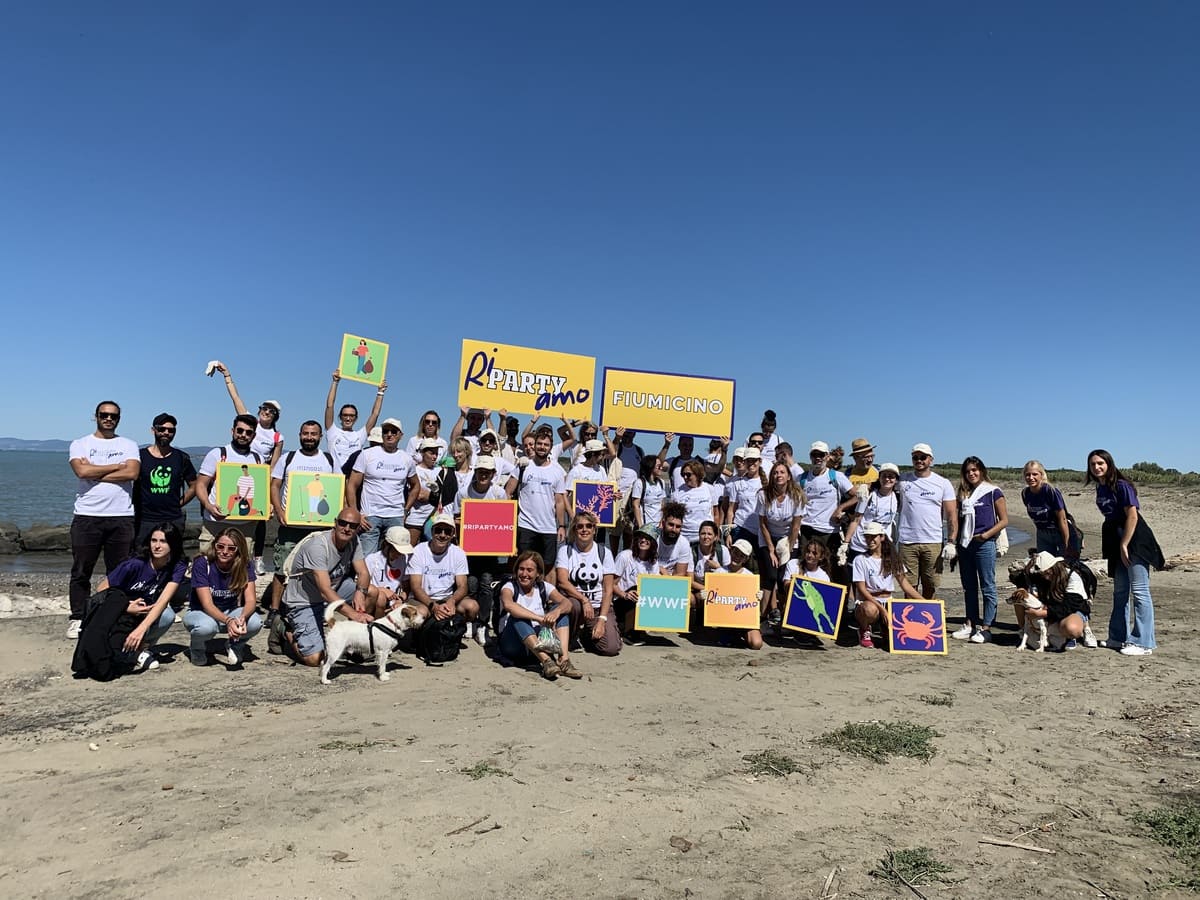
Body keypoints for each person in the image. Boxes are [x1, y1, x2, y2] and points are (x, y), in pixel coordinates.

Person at [67, 401, 141, 639]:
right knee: (81, 570)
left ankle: (115, 614)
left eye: (114, 416)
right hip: (87, 516)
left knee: (119, 572)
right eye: (104, 415)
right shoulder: (80, 444)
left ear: (119, 419)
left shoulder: (128, 444)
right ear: (96, 416)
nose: (109, 419)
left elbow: (132, 473)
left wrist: (95, 471)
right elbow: (81, 472)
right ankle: (78, 617)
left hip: (121, 517)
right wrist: (114, 467)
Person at [1086, 449, 1164, 657]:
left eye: (1100, 463)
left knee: (1139, 591)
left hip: (1134, 538)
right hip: (1114, 537)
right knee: (1120, 591)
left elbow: (1132, 516)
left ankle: (1143, 642)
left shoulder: (1122, 485)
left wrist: (1125, 544)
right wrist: (1117, 544)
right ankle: (1118, 637)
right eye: (1093, 464)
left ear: (1109, 464)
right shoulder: (1100, 487)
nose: (1097, 467)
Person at [279, 508, 376, 667]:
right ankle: (285, 629)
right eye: (343, 523)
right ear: (335, 523)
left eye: (352, 525)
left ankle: (356, 644)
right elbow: (325, 590)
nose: (347, 528)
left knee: (372, 592)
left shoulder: (354, 540)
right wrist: (354, 614)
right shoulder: (318, 546)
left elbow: (364, 573)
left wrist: (360, 592)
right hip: (304, 600)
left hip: (333, 590)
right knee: (316, 659)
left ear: (358, 528)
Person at [265, 421, 337, 624]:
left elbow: (339, 486)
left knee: (320, 570)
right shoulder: (288, 458)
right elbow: (275, 485)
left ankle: (319, 607)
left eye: (313, 434)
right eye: (305, 433)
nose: (309, 437)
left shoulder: (329, 460)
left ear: (320, 437)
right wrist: (279, 510)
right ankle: (275, 609)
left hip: (320, 527)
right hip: (291, 526)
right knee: (282, 569)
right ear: (299, 435)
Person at [212, 362, 284, 568]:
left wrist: (266, 488)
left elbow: (275, 462)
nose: (266, 412)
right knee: (227, 506)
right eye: (264, 408)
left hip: (258, 477)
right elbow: (235, 398)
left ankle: (257, 558)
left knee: (259, 518)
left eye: (271, 411)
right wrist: (227, 376)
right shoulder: (249, 421)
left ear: (275, 416)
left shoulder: (277, 436)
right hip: (235, 471)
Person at [94, 522, 187, 671]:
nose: (157, 546)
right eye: (153, 540)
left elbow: (163, 600)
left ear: (173, 544)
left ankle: (140, 647)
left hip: (144, 610)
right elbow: (101, 590)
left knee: (167, 615)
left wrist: (141, 629)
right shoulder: (135, 564)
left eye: (163, 541)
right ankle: (124, 648)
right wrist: (125, 606)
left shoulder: (178, 565)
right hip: (120, 611)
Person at [184, 528, 262, 666]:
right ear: (214, 546)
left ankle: (235, 645)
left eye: (231, 548)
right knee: (206, 627)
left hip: (230, 609)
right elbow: (207, 604)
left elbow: (250, 600)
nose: (225, 552)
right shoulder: (203, 563)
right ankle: (196, 648)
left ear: (238, 550)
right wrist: (228, 621)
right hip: (201, 611)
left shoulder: (244, 564)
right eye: (220, 546)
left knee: (255, 622)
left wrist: (242, 617)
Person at [497, 551, 581, 680]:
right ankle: (546, 661)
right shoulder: (509, 586)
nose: (524, 574)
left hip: (538, 641)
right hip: (513, 644)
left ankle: (563, 660)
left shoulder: (543, 587)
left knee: (561, 613)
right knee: (518, 616)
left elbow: (567, 603)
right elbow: (509, 605)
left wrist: (556, 612)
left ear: (538, 573)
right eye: (521, 569)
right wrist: (539, 618)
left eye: (529, 570)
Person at [951, 457, 1008, 643]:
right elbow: (958, 521)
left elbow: (1004, 520)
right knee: (969, 587)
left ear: (981, 471)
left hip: (984, 544)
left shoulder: (993, 492)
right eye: (968, 471)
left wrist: (986, 535)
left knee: (988, 586)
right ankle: (970, 624)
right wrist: (953, 543)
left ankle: (986, 627)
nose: (971, 474)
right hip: (965, 545)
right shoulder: (963, 494)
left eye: (974, 470)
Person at [194, 414, 263, 555]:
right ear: (233, 431)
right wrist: (208, 506)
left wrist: (266, 507)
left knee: (241, 568)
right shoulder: (217, 454)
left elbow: (261, 491)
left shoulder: (258, 459)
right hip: (215, 522)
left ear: (253, 435)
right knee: (209, 563)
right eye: (240, 431)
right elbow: (200, 484)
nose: (243, 435)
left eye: (248, 432)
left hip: (246, 525)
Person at [897, 443, 958, 599]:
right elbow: (882, 483)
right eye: (915, 457)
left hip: (933, 541)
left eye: (923, 457)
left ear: (930, 460)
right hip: (907, 541)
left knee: (930, 585)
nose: (919, 460)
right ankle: (910, 619)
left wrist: (951, 542)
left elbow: (951, 515)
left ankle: (928, 617)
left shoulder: (943, 483)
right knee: (909, 585)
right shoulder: (903, 480)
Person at [346, 417, 415, 556]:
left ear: (401, 435)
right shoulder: (367, 454)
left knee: (393, 558)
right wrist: (355, 513)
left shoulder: (407, 459)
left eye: (394, 431)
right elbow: (352, 485)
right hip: (370, 516)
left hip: (395, 516)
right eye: (386, 431)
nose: (389, 434)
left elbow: (415, 486)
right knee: (367, 558)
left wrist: (406, 510)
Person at [459, 456, 510, 646]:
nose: (483, 475)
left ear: (493, 474)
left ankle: (482, 624)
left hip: (490, 550)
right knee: (471, 584)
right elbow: (457, 518)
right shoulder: (464, 492)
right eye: (480, 471)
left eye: (487, 472)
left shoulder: (498, 492)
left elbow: (504, 521)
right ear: (475, 472)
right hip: (469, 549)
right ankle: (470, 621)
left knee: (486, 585)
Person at [555, 511, 618, 658]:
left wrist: (602, 620)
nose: (584, 530)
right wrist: (584, 600)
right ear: (574, 530)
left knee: (611, 648)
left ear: (594, 529)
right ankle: (571, 636)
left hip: (597, 607)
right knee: (574, 605)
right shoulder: (566, 551)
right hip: (576, 603)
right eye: (580, 526)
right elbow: (562, 581)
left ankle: (588, 635)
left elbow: (608, 590)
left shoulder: (604, 553)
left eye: (589, 526)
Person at [408, 512, 481, 640]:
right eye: (438, 530)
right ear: (432, 531)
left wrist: (451, 601)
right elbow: (415, 587)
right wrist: (433, 606)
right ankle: (420, 636)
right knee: (422, 612)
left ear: (453, 534)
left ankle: (454, 631)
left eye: (447, 531)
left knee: (472, 607)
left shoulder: (458, 553)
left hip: (446, 597)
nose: (442, 535)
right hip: (423, 598)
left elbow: (463, 586)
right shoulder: (419, 551)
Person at [850, 523, 923, 648]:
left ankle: (885, 629)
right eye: (867, 537)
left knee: (895, 639)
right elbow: (861, 589)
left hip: (888, 600)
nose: (870, 540)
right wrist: (882, 610)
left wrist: (926, 602)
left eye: (873, 537)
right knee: (870, 610)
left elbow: (905, 585)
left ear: (881, 537)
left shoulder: (892, 558)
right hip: (869, 600)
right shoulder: (860, 560)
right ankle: (864, 629)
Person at [134, 412, 196, 545]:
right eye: (161, 429)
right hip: (144, 519)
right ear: (153, 430)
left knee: (172, 557)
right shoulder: (139, 456)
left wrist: (179, 503)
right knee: (140, 557)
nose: (166, 433)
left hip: (173, 518)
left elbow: (195, 485)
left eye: (171, 430)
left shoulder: (181, 458)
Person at [756, 461, 804, 628]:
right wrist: (771, 549)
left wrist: (787, 551)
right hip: (767, 537)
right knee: (770, 575)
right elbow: (762, 523)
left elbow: (796, 526)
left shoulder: (796, 496)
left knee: (785, 577)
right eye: (775, 472)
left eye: (782, 472)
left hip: (788, 539)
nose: (779, 475)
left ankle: (786, 616)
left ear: (788, 476)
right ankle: (762, 617)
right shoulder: (763, 495)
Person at [514, 429, 568, 578]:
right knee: (525, 565)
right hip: (526, 525)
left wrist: (562, 526)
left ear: (550, 448)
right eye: (539, 444)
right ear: (534, 445)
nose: (542, 447)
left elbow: (559, 501)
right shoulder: (523, 466)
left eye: (546, 444)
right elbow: (508, 492)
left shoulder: (557, 471)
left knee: (548, 566)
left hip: (548, 527)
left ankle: (546, 599)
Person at [798, 441, 856, 562]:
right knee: (805, 565)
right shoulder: (801, 478)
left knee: (828, 566)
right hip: (806, 530)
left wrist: (840, 509)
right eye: (815, 455)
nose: (818, 458)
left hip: (829, 531)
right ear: (810, 457)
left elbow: (857, 496)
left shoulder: (836, 476)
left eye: (821, 455)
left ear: (827, 456)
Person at [1019, 551, 1092, 648]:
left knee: (1072, 629)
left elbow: (1069, 606)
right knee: (1019, 599)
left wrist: (1041, 614)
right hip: (1051, 607)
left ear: (1055, 567)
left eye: (1048, 573)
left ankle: (1074, 634)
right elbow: (1019, 580)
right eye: (1043, 574)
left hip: (1072, 610)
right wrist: (1028, 569)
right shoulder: (1042, 576)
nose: (1045, 576)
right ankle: (1025, 630)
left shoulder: (1072, 578)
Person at [323, 370, 386, 471]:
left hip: (351, 479)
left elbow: (375, 414)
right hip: (335, 478)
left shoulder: (360, 435)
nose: (348, 418)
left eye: (352, 416)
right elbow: (330, 405)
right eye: (345, 415)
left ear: (356, 418)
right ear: (340, 417)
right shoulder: (332, 431)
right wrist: (335, 382)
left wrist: (380, 392)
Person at [843, 462, 901, 566]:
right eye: (884, 476)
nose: (887, 479)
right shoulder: (868, 495)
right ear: (879, 478)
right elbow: (856, 519)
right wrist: (846, 542)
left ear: (896, 480)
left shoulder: (897, 497)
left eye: (891, 476)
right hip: (861, 544)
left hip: (881, 546)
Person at [1021, 460, 1082, 557]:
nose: (1031, 478)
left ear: (1041, 475)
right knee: (1045, 567)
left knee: (1065, 565)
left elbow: (1062, 519)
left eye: (1035, 474)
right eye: (1028, 475)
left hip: (1060, 532)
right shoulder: (1025, 493)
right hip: (1042, 533)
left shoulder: (1050, 491)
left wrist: (1067, 544)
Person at [613, 524, 661, 641]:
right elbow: (611, 584)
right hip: (621, 599)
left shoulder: (653, 562)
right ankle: (629, 631)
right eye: (641, 537)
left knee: (646, 588)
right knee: (637, 588)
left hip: (640, 600)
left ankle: (638, 626)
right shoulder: (625, 556)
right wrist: (624, 595)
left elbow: (654, 586)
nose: (643, 540)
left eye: (647, 538)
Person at [364, 526, 414, 608]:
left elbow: (406, 587)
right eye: (396, 550)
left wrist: (400, 599)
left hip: (394, 603)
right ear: (386, 544)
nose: (399, 554)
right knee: (381, 598)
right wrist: (382, 590)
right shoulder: (372, 559)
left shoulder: (403, 559)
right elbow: (362, 586)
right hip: (374, 600)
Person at [675, 460, 718, 547]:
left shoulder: (709, 489)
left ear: (698, 474)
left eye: (688, 474)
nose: (685, 477)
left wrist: (716, 534)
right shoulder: (678, 493)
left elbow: (716, 514)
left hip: (705, 538)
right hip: (685, 538)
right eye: (683, 474)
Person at [630, 454, 670, 531]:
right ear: (651, 467)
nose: (661, 468)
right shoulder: (640, 483)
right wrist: (640, 526)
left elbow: (662, 504)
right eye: (658, 466)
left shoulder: (661, 482)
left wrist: (662, 522)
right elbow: (635, 505)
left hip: (658, 526)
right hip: (645, 525)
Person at [656, 502, 693, 576]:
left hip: (672, 580)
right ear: (663, 523)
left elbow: (680, 574)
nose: (674, 529)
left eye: (678, 526)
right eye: (671, 525)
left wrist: (666, 576)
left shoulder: (683, 543)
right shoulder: (654, 538)